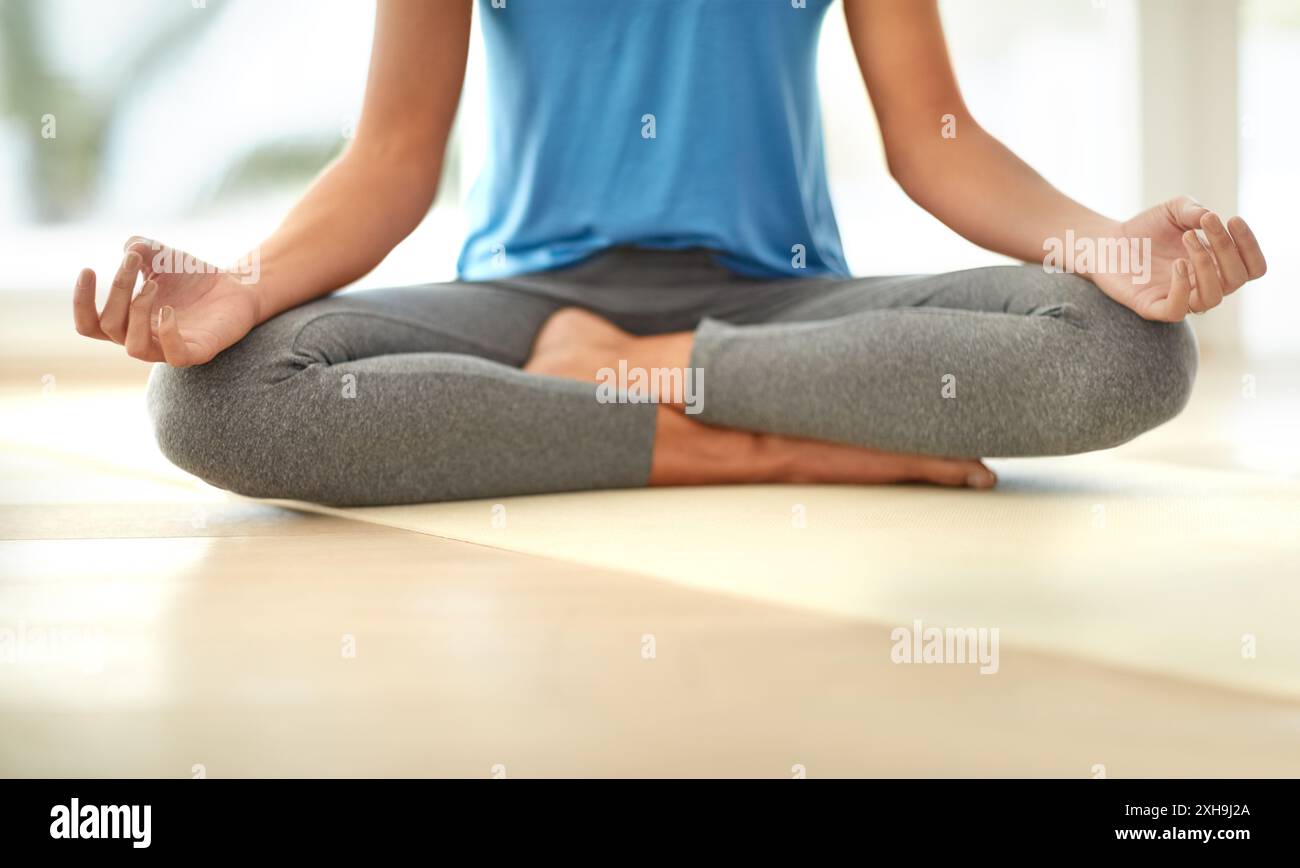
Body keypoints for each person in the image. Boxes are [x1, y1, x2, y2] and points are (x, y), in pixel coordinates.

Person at [71, 0, 1266, 507]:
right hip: (524, 307)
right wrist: (247, 285)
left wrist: (1102, 245)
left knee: (1125, 350)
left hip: (778, 305)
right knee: (214, 400)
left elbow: (935, 142)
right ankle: (757, 445)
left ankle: (638, 375)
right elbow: (390, 159)